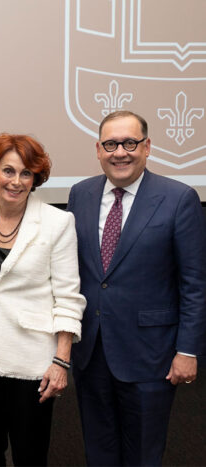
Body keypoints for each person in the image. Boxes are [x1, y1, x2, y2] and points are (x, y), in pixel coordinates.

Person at [68, 110, 206, 466]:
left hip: (152, 356)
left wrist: (187, 351)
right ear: (98, 149)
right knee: (98, 452)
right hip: (92, 351)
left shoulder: (179, 198)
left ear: (147, 147)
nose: (120, 152)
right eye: (111, 144)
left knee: (143, 455)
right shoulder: (80, 195)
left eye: (130, 143)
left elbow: (194, 283)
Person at [0, 133, 86, 466]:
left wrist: (61, 361)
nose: (16, 181)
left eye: (26, 173)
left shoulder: (58, 223)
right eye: (8, 171)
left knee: (30, 453)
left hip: (32, 361)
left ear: (36, 178)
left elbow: (68, 297)